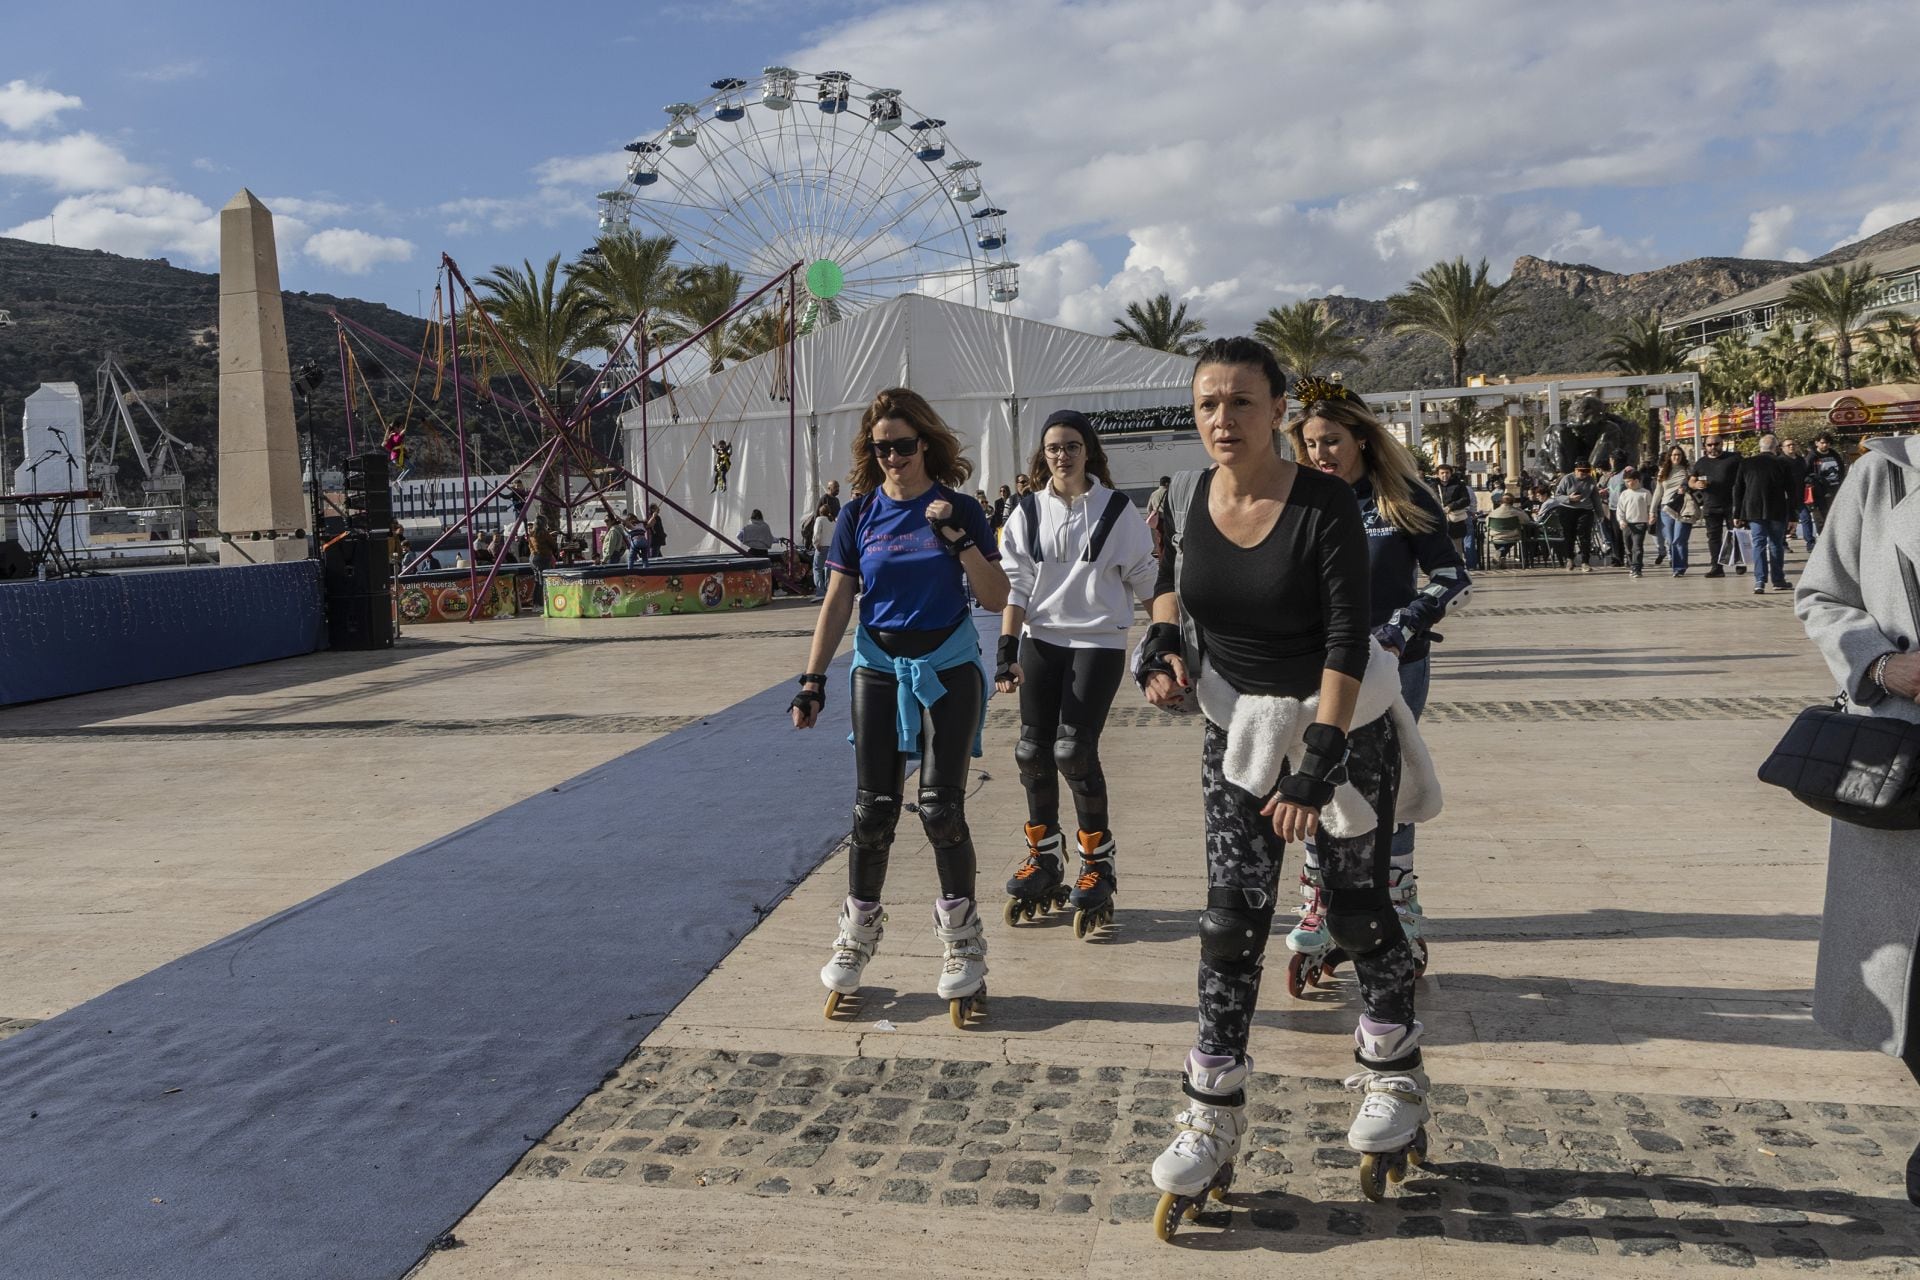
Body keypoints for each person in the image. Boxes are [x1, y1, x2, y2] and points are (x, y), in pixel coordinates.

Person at [1141, 339, 1440, 1224]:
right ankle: (1209, 1114)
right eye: (1206, 405)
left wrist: (1319, 758)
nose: (1222, 420)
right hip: (1238, 728)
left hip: (1341, 724)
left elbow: (1350, 634)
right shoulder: (1185, 494)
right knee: (1230, 922)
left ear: (1278, 411)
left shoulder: (1323, 504)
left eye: (1240, 402)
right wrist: (1158, 644)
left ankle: (1394, 1075)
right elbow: (1169, 586)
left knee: (1354, 913)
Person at [790, 387, 1009, 1026]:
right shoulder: (860, 515)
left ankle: (962, 944)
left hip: (947, 666)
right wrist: (812, 679)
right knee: (874, 810)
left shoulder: (961, 507)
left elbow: (996, 597)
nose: (894, 458)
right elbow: (837, 602)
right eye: (882, 448)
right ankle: (856, 936)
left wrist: (959, 539)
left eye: (905, 446)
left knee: (940, 807)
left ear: (927, 445)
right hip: (878, 667)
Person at [1288, 377, 1467, 987]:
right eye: (1311, 445)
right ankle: (1319, 898)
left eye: (1332, 441)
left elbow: (1450, 575)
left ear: (1362, 438)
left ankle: (1398, 900)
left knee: (1388, 784)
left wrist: (1404, 622)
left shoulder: (1400, 497)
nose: (1321, 456)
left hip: (1395, 665)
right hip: (1319, 667)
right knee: (1318, 775)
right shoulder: (1302, 500)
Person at [1793, 431, 1920, 1207]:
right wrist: (1880, 664)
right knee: (1911, 958)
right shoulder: (1886, 474)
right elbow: (1823, 594)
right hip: (1905, 751)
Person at [995, 409, 1159, 939]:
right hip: (1040, 638)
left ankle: (1097, 860)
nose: (1060, 456)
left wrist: (1164, 640)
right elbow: (1017, 584)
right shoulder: (1025, 510)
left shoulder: (1117, 510)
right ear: (1042, 456)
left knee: (1074, 751)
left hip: (1098, 640)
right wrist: (1005, 645)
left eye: (1070, 446)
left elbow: (1149, 581)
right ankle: (1043, 857)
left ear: (1088, 450)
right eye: (1052, 448)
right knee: (1031, 752)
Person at [1732, 433, 1797, 594]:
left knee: (1758, 544)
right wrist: (1793, 516)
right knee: (1776, 545)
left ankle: (1760, 581)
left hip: (1753, 510)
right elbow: (1792, 491)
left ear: (1760, 447)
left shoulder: (1746, 463)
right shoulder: (1783, 463)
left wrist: (1737, 513)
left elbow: (1738, 489)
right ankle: (1778, 580)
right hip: (1777, 510)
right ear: (1775, 448)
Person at [1690, 436, 1743, 577]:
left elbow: (1744, 475)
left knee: (1735, 534)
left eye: (1716, 444)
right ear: (1705, 446)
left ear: (1722, 444)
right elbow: (1691, 480)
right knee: (1713, 538)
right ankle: (1717, 567)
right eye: (1709, 445)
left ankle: (1739, 562)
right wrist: (1696, 485)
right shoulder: (1701, 463)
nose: (1713, 447)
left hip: (1732, 504)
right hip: (1711, 504)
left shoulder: (1734, 458)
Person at [1552, 460, 1602, 571]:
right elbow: (1557, 496)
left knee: (1585, 535)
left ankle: (1585, 562)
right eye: (1581, 471)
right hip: (1568, 509)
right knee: (1569, 535)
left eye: (1587, 471)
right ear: (1575, 470)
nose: (1584, 474)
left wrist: (1600, 514)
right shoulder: (1567, 479)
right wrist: (1569, 498)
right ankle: (1569, 559)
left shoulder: (1591, 480)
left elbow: (1596, 498)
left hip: (1585, 510)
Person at [1656, 446, 1696, 577]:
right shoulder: (1663, 471)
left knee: (1679, 539)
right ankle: (1676, 563)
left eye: (1678, 454)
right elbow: (1658, 491)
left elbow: (1695, 485)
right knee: (1670, 540)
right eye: (1673, 455)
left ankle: (1679, 568)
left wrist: (1687, 487)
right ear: (1669, 456)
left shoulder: (1688, 470)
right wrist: (1651, 511)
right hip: (1666, 508)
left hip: (1683, 508)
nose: (1676, 457)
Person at [1806, 432, 1848, 550]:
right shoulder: (1812, 456)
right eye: (1822, 442)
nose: (1825, 445)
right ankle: (1824, 542)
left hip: (1835, 489)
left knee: (1834, 516)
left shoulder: (1834, 454)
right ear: (1817, 443)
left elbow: (1841, 470)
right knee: (1821, 517)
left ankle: (1835, 540)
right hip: (1820, 492)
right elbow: (1807, 473)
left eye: (1827, 443)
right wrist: (1816, 480)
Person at [1614, 466, 1655, 579]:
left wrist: (1651, 516)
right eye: (1626, 482)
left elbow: (1650, 507)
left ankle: (1637, 568)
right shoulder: (1624, 494)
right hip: (1627, 524)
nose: (1627, 484)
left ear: (1636, 480)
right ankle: (1633, 564)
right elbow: (1620, 509)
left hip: (1640, 524)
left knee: (1637, 546)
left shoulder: (1645, 493)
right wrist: (1621, 521)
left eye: (1629, 481)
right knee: (1628, 547)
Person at [1433, 464, 1473, 565]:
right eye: (1442, 473)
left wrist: (1451, 506)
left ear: (1451, 474)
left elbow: (1466, 500)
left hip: (1455, 521)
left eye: (1447, 473)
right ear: (1437, 474)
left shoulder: (1459, 485)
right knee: (1438, 547)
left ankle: (1458, 567)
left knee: (1457, 548)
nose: (1445, 475)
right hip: (1438, 521)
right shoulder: (1432, 486)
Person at [1780, 436, 1810, 548]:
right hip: (1786, 496)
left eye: (1793, 444)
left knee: (1806, 518)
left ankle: (1810, 542)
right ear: (1783, 448)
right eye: (1788, 445)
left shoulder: (1800, 460)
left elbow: (1806, 473)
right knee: (1785, 520)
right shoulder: (1780, 461)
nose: (1792, 447)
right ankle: (1783, 543)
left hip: (1801, 495)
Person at [807, 498, 836, 601]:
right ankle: (829, 590)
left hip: (822, 546)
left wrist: (816, 544)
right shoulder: (833, 521)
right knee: (828, 569)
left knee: (817, 568)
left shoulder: (819, 519)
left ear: (820, 512)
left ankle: (820, 591)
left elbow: (816, 533)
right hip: (832, 547)